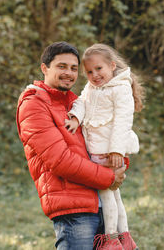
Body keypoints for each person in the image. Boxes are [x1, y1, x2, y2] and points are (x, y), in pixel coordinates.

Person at [16, 41, 127, 250]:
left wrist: (119, 161)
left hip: (103, 204)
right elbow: (61, 161)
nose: (69, 73)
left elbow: (103, 137)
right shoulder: (33, 104)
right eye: (62, 66)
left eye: (74, 68)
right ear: (44, 68)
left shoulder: (77, 103)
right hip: (73, 212)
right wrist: (109, 177)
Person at [65, 43, 144, 250]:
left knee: (107, 194)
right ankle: (125, 237)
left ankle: (110, 239)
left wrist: (117, 150)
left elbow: (123, 120)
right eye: (89, 72)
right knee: (114, 195)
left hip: (110, 152)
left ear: (112, 65)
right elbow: (81, 102)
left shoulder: (120, 88)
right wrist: (75, 117)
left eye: (99, 69)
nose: (95, 75)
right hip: (96, 149)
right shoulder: (92, 88)